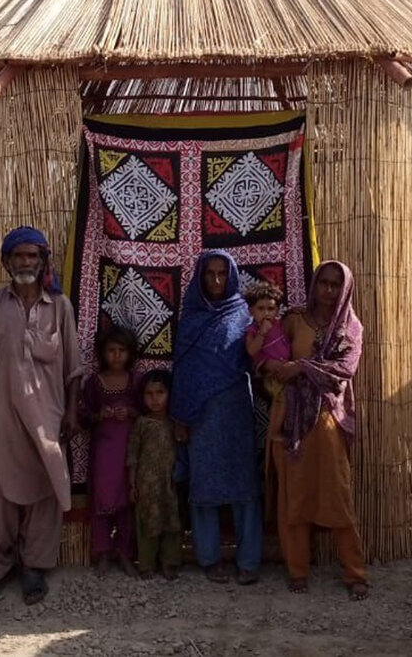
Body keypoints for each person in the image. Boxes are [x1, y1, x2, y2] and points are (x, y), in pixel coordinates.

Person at [0, 226, 82, 605]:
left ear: (42, 261)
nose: (25, 262)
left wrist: (71, 410)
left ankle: (34, 567)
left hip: (47, 415)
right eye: (18, 256)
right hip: (1, 412)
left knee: (44, 490)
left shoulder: (60, 307)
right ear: (6, 261)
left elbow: (73, 367)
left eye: (32, 256)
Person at [266, 260, 369, 599]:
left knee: (336, 495)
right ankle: (298, 569)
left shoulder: (349, 328)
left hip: (328, 421)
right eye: (322, 283)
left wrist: (301, 367)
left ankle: (355, 573)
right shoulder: (295, 320)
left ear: (345, 289)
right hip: (291, 421)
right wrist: (283, 370)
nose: (327, 291)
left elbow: (343, 370)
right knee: (294, 497)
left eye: (335, 285)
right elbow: (272, 356)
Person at [170, 249, 262, 585]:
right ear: (199, 277)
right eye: (209, 274)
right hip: (201, 415)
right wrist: (180, 416)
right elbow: (182, 372)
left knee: (244, 483)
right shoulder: (191, 319)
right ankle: (209, 558)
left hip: (236, 410)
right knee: (204, 483)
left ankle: (249, 560)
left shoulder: (243, 315)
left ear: (233, 276)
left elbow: (255, 358)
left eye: (223, 274)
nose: (217, 281)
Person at [79, 326, 139, 577]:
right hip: (103, 452)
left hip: (129, 452)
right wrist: (98, 415)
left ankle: (125, 553)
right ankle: (102, 553)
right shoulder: (95, 382)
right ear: (102, 353)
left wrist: (132, 413)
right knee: (102, 501)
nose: (116, 356)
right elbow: (83, 414)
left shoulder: (135, 380)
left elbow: (146, 410)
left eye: (122, 351)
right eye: (111, 351)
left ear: (130, 353)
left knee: (127, 500)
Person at [127, 369, 182, 580]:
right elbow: (132, 454)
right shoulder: (141, 423)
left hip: (170, 482)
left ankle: (170, 562)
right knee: (147, 523)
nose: (155, 399)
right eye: (149, 394)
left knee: (172, 521)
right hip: (147, 485)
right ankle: (147, 564)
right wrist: (132, 484)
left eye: (160, 392)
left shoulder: (175, 423)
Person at [244, 281, 291, 442]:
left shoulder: (281, 325)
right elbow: (251, 351)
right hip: (269, 376)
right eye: (261, 309)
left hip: (286, 371)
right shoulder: (253, 331)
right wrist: (262, 334)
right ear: (251, 311)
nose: (266, 313)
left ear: (277, 310)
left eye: (271, 309)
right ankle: (275, 432)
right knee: (282, 397)